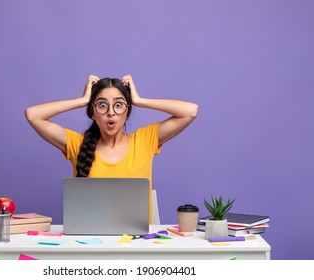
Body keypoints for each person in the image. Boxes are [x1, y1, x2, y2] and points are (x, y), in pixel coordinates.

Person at [25, 74, 199, 223]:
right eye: (101, 105)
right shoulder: (76, 144)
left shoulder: (145, 140)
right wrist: (82, 101)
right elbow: (33, 115)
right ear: (92, 112)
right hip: (91, 243)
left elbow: (190, 111)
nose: (111, 112)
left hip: (137, 244)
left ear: (127, 111)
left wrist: (139, 101)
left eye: (118, 104)